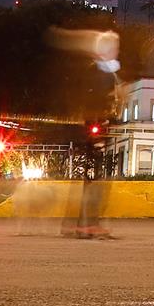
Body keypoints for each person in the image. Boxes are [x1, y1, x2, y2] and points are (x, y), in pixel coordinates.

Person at [53, 25, 122, 239]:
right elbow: (102, 100)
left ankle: (78, 223)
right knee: (93, 179)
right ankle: (88, 224)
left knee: (86, 179)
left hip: (89, 127)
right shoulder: (101, 72)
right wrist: (100, 126)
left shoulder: (94, 69)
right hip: (95, 128)